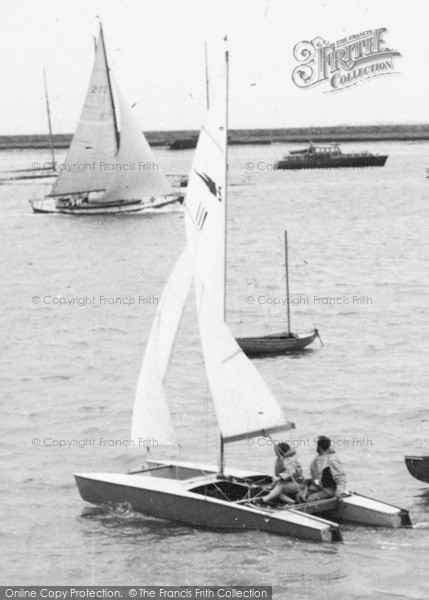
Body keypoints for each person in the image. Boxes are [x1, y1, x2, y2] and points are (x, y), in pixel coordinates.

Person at [306, 436, 347, 501]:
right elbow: (315, 477)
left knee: (310, 499)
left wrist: (339, 492)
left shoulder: (331, 460)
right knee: (301, 496)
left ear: (319, 447)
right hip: (319, 488)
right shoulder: (315, 460)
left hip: (330, 490)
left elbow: (340, 478)